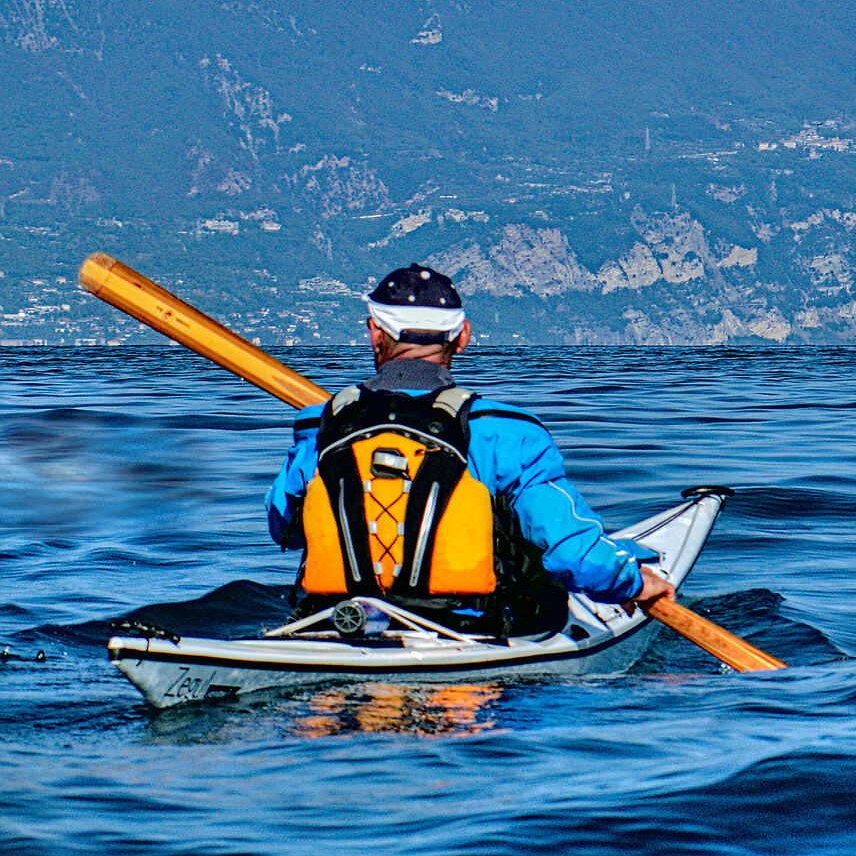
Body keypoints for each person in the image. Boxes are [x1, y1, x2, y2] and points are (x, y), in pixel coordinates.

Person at [266, 264, 673, 635]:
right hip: (465, 637)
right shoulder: (506, 432)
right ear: (463, 337)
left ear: (373, 331)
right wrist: (634, 582)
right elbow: (569, 548)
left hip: (334, 625)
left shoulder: (319, 426)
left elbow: (283, 526)